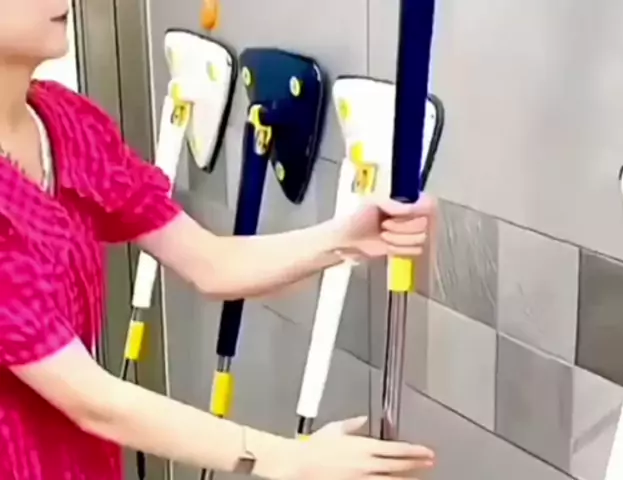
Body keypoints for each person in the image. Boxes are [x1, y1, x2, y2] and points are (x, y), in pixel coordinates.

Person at [0, 2, 437, 479]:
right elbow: (92, 401)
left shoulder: (65, 124)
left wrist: (347, 237)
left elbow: (211, 263)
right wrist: (288, 458)